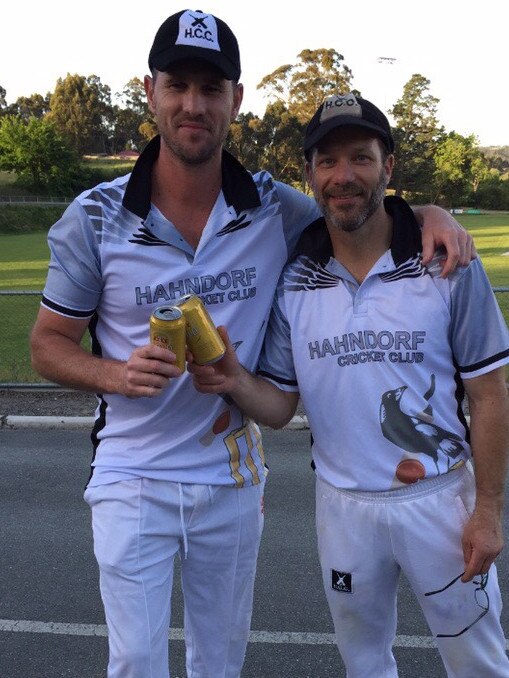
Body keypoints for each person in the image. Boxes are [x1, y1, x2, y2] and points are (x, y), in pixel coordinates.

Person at [29, 7, 475, 677]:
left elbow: (354, 204)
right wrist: (116, 375)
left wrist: (425, 214)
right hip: (132, 476)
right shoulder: (94, 216)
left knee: (219, 664)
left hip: (231, 479)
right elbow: (47, 344)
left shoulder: (277, 209)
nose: (193, 104)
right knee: (136, 663)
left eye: (211, 89)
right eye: (177, 86)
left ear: (235, 100)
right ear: (148, 92)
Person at [188, 92, 509, 677]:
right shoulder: (297, 282)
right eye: (328, 162)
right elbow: (282, 408)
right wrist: (234, 379)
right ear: (309, 174)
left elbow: (490, 393)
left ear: (388, 166)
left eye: (360, 158)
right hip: (342, 509)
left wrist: (488, 509)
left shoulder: (447, 266)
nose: (344, 177)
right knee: (364, 664)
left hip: (437, 502)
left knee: (478, 662)